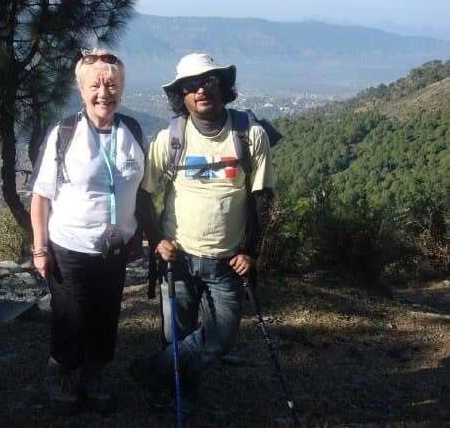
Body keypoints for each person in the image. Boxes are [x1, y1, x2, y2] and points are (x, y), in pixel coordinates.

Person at [130, 53, 276, 415]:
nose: (200, 90)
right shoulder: (171, 138)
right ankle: (185, 394)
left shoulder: (249, 134)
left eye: (208, 81)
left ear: (222, 86)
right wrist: (155, 240)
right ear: (181, 96)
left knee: (221, 338)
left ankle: (152, 372)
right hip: (178, 257)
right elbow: (144, 192)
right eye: (190, 86)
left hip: (227, 261)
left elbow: (262, 198)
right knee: (176, 336)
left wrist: (251, 252)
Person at [30, 49, 145, 415]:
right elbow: (41, 196)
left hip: (115, 248)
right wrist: (39, 249)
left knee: (106, 314)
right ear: (81, 90)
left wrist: (137, 236)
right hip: (70, 246)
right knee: (71, 316)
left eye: (111, 84)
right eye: (94, 84)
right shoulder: (65, 133)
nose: (103, 92)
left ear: (121, 89)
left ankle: (95, 375)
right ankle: (60, 372)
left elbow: (140, 189)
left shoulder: (133, 130)